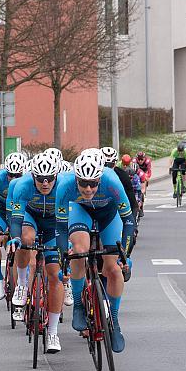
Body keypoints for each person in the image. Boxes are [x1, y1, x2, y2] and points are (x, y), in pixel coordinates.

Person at [56, 149, 134, 353]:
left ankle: (114, 322)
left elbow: (128, 221)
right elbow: (61, 228)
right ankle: (79, 305)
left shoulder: (112, 181)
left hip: (108, 216)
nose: (88, 189)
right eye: (83, 183)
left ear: (100, 178)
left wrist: (124, 255)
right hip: (80, 212)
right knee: (79, 250)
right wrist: (64, 254)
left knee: (114, 269)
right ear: (76, 179)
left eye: (93, 183)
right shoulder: (64, 185)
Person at [8, 152, 63, 353]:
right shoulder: (22, 185)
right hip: (31, 218)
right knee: (25, 239)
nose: (45, 183)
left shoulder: (64, 186)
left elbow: (70, 221)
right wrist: (15, 238)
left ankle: (53, 332)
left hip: (54, 224)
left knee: (55, 276)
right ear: (33, 177)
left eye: (49, 179)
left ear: (56, 176)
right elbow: (15, 219)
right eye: (40, 179)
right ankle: (22, 284)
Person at [0, 152, 27, 299]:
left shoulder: (28, 180)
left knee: (22, 244)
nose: (13, 178)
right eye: (10, 174)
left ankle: (21, 283)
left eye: (17, 175)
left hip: (19, 212)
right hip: (0, 212)